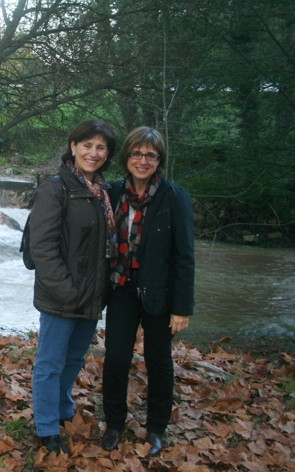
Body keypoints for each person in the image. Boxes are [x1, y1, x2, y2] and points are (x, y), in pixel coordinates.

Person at [101, 126, 195, 456]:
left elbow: (185, 256)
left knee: (158, 362)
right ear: (126, 157)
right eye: (137, 154)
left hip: (159, 293)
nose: (143, 161)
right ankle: (114, 424)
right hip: (121, 291)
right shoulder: (112, 193)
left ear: (159, 160)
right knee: (115, 360)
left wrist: (182, 308)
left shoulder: (175, 197)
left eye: (150, 155)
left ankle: (156, 429)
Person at [30, 120, 117, 455]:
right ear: (73, 146)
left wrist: (99, 292)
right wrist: (66, 292)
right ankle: (47, 429)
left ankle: (63, 409)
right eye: (87, 145)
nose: (93, 153)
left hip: (92, 296)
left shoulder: (104, 192)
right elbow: (42, 248)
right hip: (62, 296)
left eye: (101, 147)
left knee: (74, 359)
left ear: (108, 154)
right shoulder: (55, 189)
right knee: (50, 363)